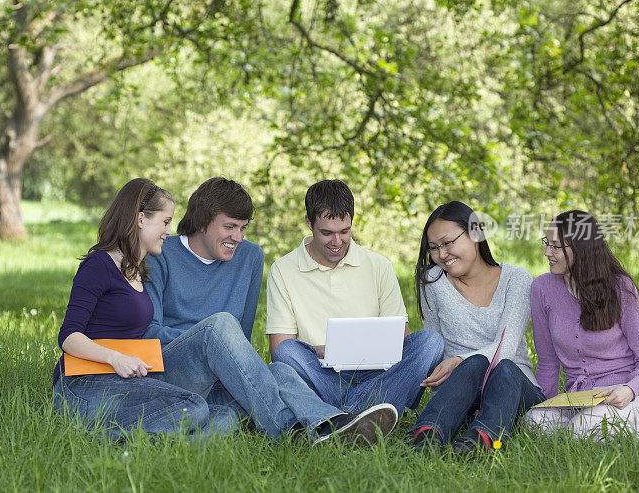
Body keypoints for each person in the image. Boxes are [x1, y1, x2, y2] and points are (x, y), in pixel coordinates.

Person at [141, 177, 398, 445]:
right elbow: (150, 333)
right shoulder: (159, 253)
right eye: (230, 227)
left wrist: (230, 361)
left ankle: (332, 424)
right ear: (202, 221)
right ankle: (289, 431)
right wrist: (206, 341)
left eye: (243, 228)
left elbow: (241, 339)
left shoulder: (249, 256)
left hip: (219, 381)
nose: (237, 237)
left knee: (272, 379)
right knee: (219, 326)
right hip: (174, 374)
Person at [53, 178, 239, 439]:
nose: (169, 231)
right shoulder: (99, 265)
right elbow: (69, 336)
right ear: (141, 219)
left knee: (226, 416)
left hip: (126, 379)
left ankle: (160, 447)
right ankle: (110, 436)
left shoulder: (140, 272)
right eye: (165, 222)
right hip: (84, 382)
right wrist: (115, 358)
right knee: (194, 408)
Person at [266, 179, 444, 417]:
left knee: (431, 342)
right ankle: (371, 409)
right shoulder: (283, 269)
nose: (337, 242)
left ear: (352, 222)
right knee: (288, 353)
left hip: (378, 372)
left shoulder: (379, 266)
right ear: (309, 223)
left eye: (344, 231)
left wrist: (367, 350)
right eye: (326, 233)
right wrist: (329, 351)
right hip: (322, 375)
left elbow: (401, 340)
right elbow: (280, 349)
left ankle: (344, 414)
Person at [406, 201, 545, 455]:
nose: (442, 254)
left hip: (513, 392)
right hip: (462, 394)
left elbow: (506, 347)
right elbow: (435, 345)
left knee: (500, 365)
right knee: (474, 365)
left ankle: (482, 438)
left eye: (448, 243)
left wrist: (460, 360)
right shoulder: (433, 282)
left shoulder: (517, 279)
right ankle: (427, 432)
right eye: (434, 248)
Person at [524, 210, 639, 441]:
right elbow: (547, 363)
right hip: (578, 398)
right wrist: (543, 406)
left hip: (625, 393)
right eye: (547, 244)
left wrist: (630, 389)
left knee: (581, 430)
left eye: (556, 247)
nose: (547, 252)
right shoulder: (542, 288)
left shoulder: (620, 288)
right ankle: (596, 432)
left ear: (581, 248)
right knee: (533, 422)